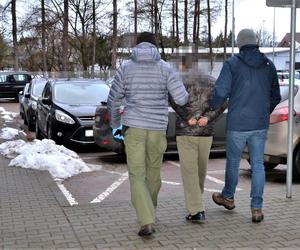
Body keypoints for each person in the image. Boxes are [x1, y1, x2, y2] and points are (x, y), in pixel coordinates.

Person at [107, 32, 189, 236]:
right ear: (155, 46)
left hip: (133, 127)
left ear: (137, 46)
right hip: (157, 128)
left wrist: (116, 124)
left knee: (137, 173)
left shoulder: (125, 68)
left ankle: (146, 219)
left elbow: (113, 100)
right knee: (153, 172)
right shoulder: (165, 67)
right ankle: (149, 211)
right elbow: (181, 99)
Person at [210, 28, 281, 223]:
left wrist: (212, 105)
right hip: (259, 123)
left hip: (238, 123)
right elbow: (275, 95)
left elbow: (221, 91)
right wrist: (264, 111)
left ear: (240, 43)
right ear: (256, 42)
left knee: (233, 162)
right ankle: (257, 208)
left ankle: (228, 197)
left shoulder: (232, 63)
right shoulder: (268, 65)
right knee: (258, 165)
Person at [169, 54, 227, 223]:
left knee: (190, 172)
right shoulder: (211, 80)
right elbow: (223, 102)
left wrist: (188, 117)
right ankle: (197, 204)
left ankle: (196, 210)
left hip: (186, 132)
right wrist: (208, 118)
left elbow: (172, 101)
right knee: (201, 171)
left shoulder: (178, 81)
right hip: (205, 132)